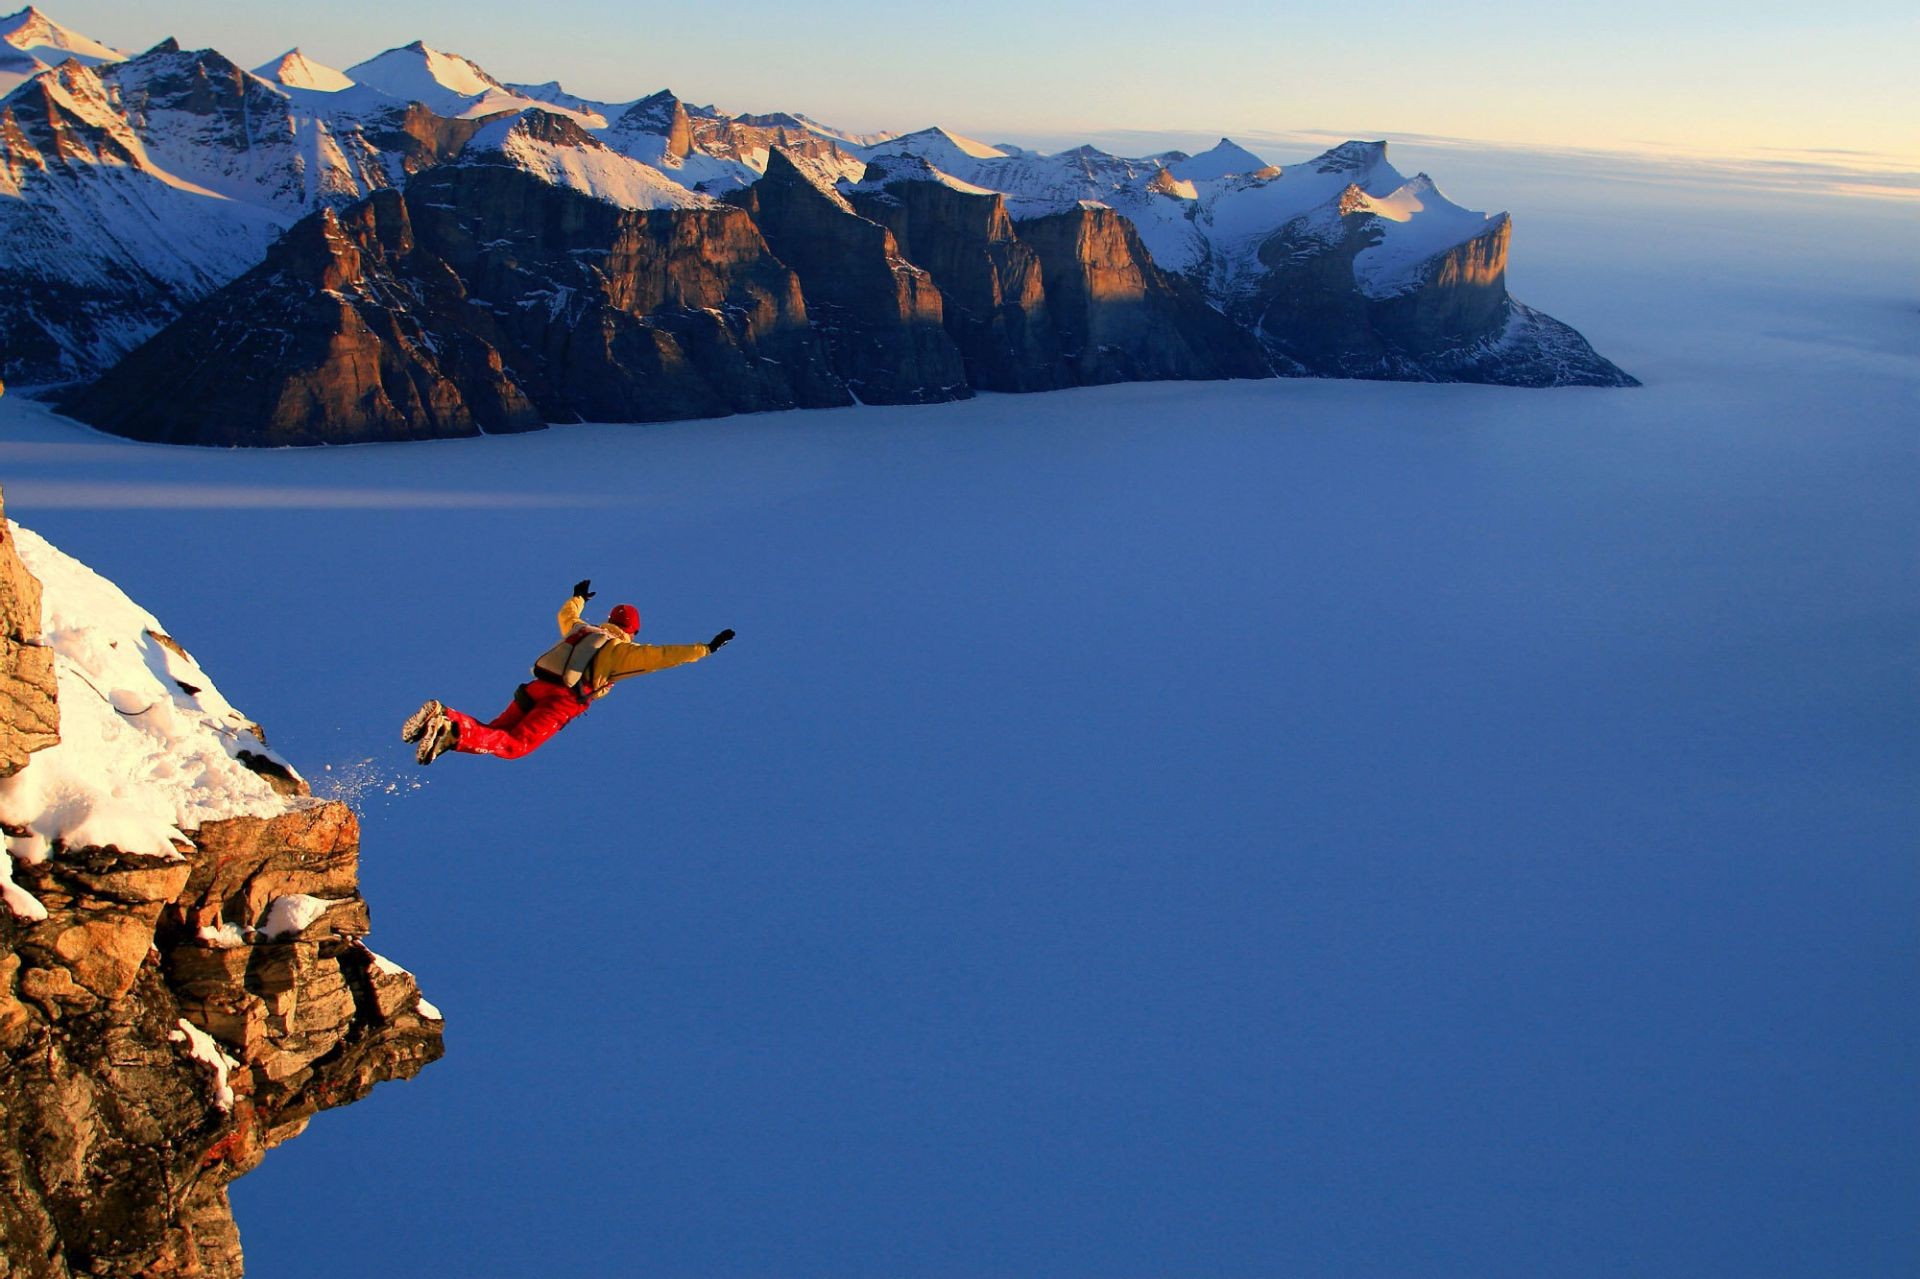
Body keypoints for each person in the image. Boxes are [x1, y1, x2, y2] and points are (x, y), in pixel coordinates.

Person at [403, 580, 734, 764]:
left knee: (495, 730)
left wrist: (577, 598)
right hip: (561, 702)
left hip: (534, 689)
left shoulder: (583, 630)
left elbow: (566, 615)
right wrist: (705, 648)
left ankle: (447, 717)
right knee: (514, 746)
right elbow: (663, 656)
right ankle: (449, 731)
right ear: (632, 631)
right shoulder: (622, 652)